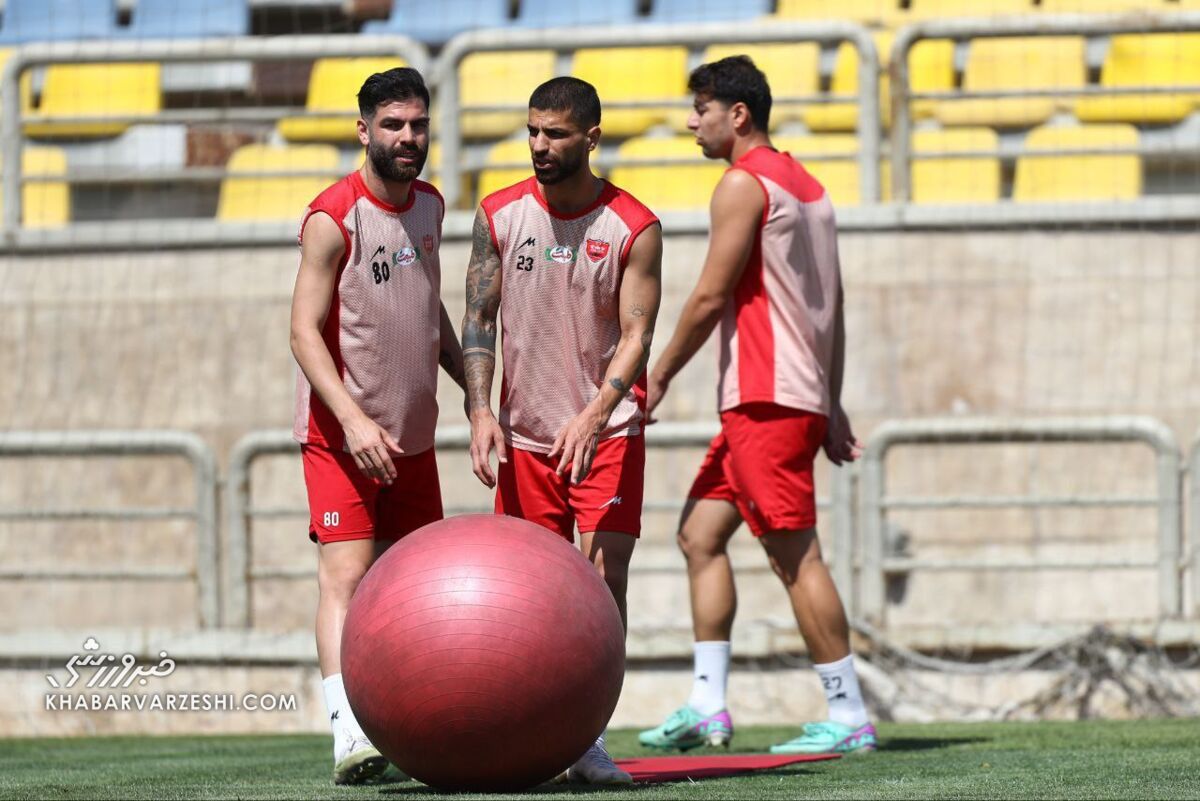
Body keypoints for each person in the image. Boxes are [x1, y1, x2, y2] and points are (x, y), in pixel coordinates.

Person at [636, 56, 874, 756]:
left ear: (737, 114)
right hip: (786, 398)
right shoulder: (811, 185)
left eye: (700, 109)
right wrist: (831, 400)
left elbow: (709, 296)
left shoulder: (742, 184)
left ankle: (849, 713)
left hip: (766, 401)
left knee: (796, 555)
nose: (690, 122)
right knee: (699, 535)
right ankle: (708, 705)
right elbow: (832, 307)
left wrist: (658, 374)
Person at [461, 76, 662, 785]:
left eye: (555, 134)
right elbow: (479, 322)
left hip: (605, 432)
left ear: (591, 139)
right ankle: (535, 732)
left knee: (603, 581)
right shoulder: (498, 214)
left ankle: (589, 737)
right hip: (525, 438)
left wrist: (597, 411)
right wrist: (481, 410)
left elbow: (638, 336)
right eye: (533, 132)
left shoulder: (634, 226)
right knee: (531, 597)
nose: (540, 146)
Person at [289, 66, 465, 785]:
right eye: (393, 124)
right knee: (347, 578)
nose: (408, 137)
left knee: (415, 586)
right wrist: (354, 419)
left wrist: (480, 394)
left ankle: (415, 723)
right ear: (364, 130)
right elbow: (302, 332)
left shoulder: (430, 204)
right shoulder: (333, 215)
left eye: (418, 124)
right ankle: (348, 731)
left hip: (414, 442)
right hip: (343, 439)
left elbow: (430, 309)